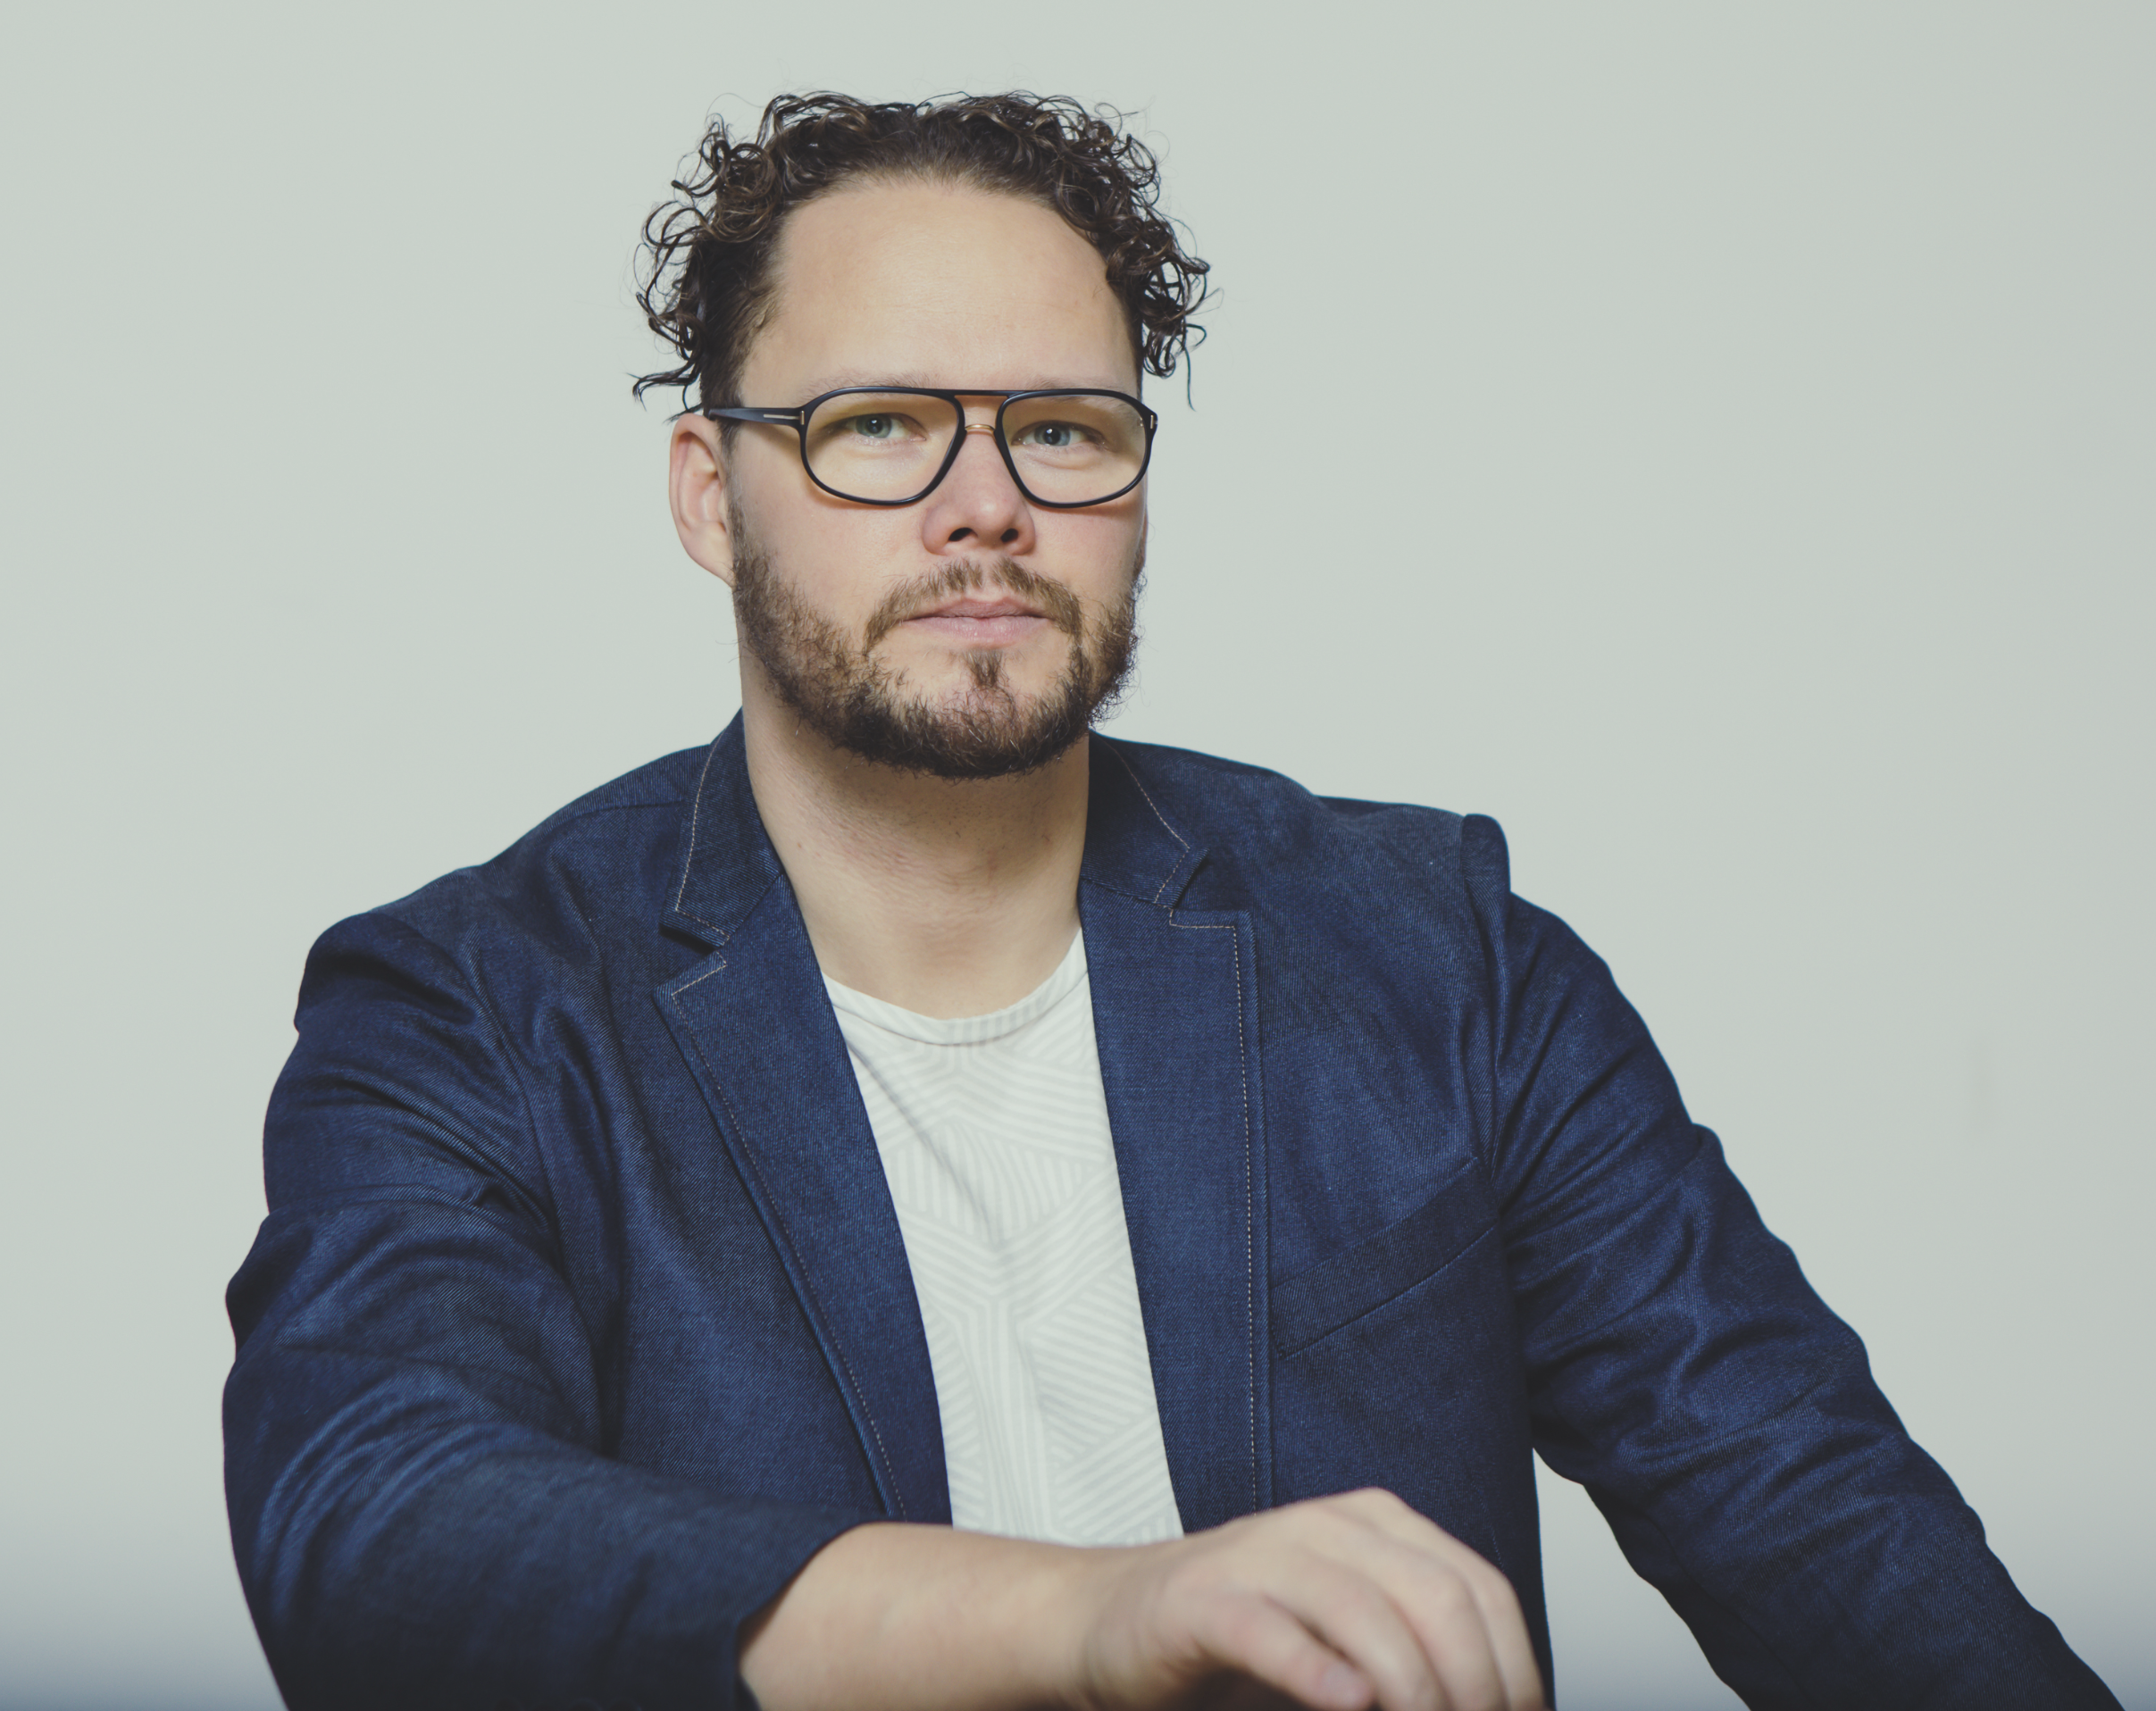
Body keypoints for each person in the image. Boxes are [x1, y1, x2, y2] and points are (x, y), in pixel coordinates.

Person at [222, 91, 2118, 1711]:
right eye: (880, 423)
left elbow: (1813, 1514)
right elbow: (375, 1528)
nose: (987, 503)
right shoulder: (470, 1003)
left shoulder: (1432, 952)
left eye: (1061, 426)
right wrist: (1088, 1610)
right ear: (713, 493)